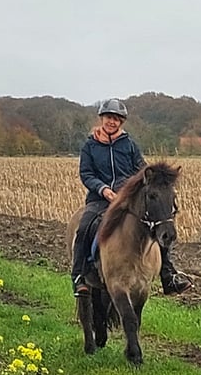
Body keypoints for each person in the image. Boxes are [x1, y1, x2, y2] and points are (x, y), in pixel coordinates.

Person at [71, 98, 194, 298]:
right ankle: (79, 276)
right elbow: (86, 174)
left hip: (126, 199)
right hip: (99, 199)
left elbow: (142, 169)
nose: (113, 122)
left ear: (121, 123)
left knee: (158, 227)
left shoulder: (128, 145)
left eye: (117, 120)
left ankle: (168, 275)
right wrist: (103, 189)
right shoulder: (90, 146)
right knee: (84, 227)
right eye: (110, 118)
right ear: (102, 118)